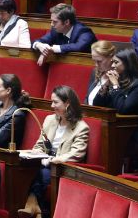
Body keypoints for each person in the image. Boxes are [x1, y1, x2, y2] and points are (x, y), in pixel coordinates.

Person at [22, 86, 89, 217]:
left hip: (60, 168)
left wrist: (53, 160)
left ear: (68, 103)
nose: (52, 105)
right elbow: (40, 144)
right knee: (23, 170)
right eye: (51, 102)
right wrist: (36, 152)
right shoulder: (49, 120)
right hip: (42, 161)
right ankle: (36, 209)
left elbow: (77, 154)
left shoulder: (81, 128)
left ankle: (32, 205)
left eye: (55, 102)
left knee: (41, 173)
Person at [91, 48, 138, 165]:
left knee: (104, 145)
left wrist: (115, 86)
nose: (112, 65)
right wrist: (106, 86)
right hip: (119, 130)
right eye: (112, 62)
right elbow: (97, 104)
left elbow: (124, 109)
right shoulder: (118, 81)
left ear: (127, 64)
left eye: (116, 62)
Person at [32, 4, 96, 62]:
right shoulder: (55, 30)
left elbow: (78, 46)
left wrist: (51, 49)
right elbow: (39, 40)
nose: (51, 24)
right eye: (51, 21)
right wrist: (38, 45)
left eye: (55, 22)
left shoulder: (83, 31)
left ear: (66, 22)